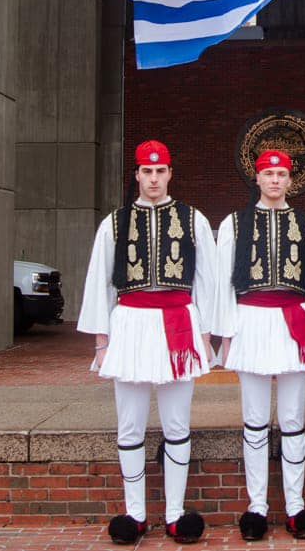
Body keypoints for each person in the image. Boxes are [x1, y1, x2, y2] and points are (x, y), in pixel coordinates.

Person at [77, 140, 221, 545]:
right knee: (130, 425)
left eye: (160, 171)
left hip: (179, 324)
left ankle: (175, 513)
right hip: (131, 326)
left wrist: (206, 337)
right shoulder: (115, 222)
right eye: (146, 171)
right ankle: (135, 512)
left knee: (177, 424)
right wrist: (101, 344)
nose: (154, 178)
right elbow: (99, 283)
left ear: (170, 173)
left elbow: (208, 283)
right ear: (137, 175)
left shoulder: (193, 219)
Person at [215, 150, 305, 541]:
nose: (275, 180)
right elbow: (223, 283)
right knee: (255, 420)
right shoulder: (234, 223)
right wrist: (225, 336)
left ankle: (295, 505)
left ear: (291, 180)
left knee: (293, 421)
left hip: (294, 320)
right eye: (268, 174)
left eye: (281, 174)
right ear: (257, 178)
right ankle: (256, 505)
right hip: (251, 321)